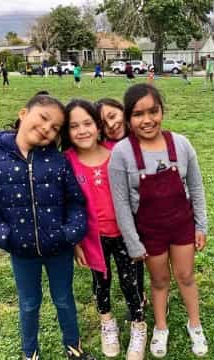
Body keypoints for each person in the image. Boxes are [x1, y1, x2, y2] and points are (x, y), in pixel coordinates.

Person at [0, 92, 96, 360]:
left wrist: (69, 234)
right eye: (43, 118)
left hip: (58, 250)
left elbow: (75, 201)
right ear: (23, 113)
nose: (47, 129)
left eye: (55, 128)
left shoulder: (58, 161)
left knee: (64, 300)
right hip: (22, 252)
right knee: (28, 304)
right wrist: (5, 236)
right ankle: (30, 354)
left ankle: (74, 350)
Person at [108, 84, 209, 358]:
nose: (147, 119)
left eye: (153, 111)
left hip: (181, 224)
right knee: (160, 280)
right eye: (139, 114)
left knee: (186, 276)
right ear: (129, 118)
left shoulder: (181, 144)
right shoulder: (121, 153)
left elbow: (196, 188)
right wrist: (132, 243)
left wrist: (201, 225)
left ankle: (195, 324)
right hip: (149, 232)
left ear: (162, 111)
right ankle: (160, 327)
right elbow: (121, 204)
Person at [62, 99, 148, 360]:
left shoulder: (117, 152)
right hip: (93, 239)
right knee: (101, 284)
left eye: (87, 123)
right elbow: (65, 203)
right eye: (74, 126)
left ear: (98, 127)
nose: (82, 130)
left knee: (130, 283)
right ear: (67, 132)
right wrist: (76, 243)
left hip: (124, 235)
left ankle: (138, 325)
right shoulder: (66, 161)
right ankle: (107, 323)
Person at [96, 98, 148, 318]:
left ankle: (143, 295)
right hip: (113, 222)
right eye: (103, 123)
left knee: (140, 261)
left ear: (123, 111)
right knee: (122, 264)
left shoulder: (144, 139)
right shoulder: (100, 148)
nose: (110, 125)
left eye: (112, 116)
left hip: (143, 216)